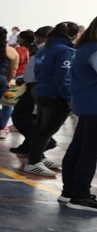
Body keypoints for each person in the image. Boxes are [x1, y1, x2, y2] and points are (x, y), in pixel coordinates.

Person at [22, 22, 79, 176]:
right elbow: (64, 78)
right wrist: (68, 98)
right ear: (73, 35)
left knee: (40, 127)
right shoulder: (66, 51)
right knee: (46, 130)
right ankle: (34, 162)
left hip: (42, 92)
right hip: (56, 96)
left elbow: (38, 71)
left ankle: (38, 157)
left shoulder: (45, 48)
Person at [60, 16, 97, 211]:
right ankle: (80, 196)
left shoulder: (84, 48)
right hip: (94, 106)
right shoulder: (94, 50)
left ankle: (69, 191)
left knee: (78, 148)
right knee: (89, 152)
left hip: (85, 105)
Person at [10, 26, 55, 155]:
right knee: (31, 116)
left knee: (20, 116)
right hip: (33, 84)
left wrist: (30, 81)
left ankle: (45, 141)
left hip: (36, 86)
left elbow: (40, 70)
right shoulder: (43, 49)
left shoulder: (46, 50)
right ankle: (28, 145)